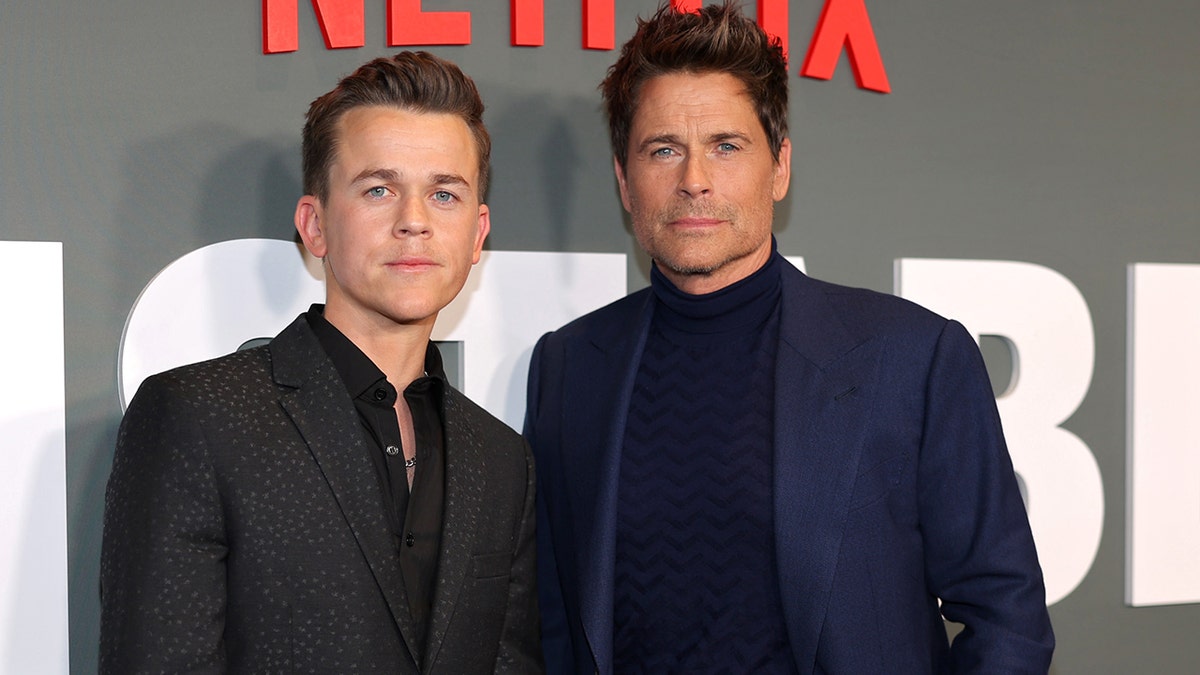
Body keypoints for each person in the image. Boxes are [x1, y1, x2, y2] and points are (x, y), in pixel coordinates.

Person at [523, 3, 1054, 673]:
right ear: (625, 182)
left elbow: (1007, 616)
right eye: (663, 149)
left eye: (726, 145)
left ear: (779, 166)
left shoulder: (914, 359)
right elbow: (551, 626)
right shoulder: (569, 366)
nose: (694, 179)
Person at [100, 52, 542, 673]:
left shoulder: (502, 461)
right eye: (379, 189)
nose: (413, 222)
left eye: (444, 194)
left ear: (476, 234)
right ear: (314, 226)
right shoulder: (199, 418)